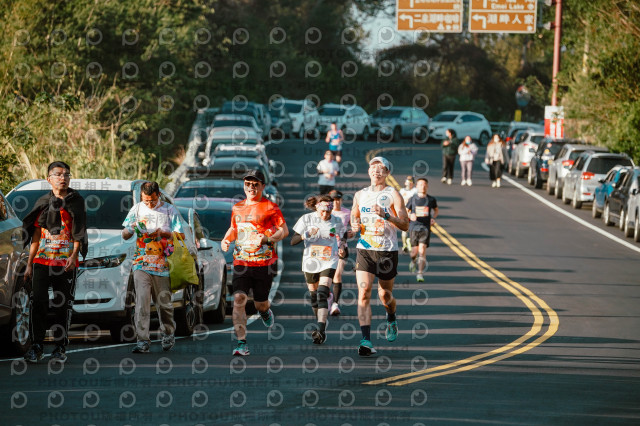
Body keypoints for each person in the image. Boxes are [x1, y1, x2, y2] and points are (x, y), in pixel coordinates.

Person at [22, 161, 87, 364]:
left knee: (62, 305)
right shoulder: (43, 202)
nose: (63, 178)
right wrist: (29, 264)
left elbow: (79, 232)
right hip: (42, 260)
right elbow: (36, 236)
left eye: (66, 174)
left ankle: (60, 346)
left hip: (66, 262)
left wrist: (74, 256)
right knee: (38, 303)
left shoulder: (76, 201)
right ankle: (37, 346)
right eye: (58, 174)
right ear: (49, 178)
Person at [221, 169, 288, 356]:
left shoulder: (270, 207)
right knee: (239, 299)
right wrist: (226, 240)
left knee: (260, 304)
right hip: (241, 261)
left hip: (264, 263)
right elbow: (233, 229)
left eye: (255, 184)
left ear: (262, 186)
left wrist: (267, 239)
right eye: (248, 184)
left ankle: (265, 312)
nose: (251, 187)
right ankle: (241, 343)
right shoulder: (237, 207)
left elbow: (284, 231)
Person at [351, 156, 409, 356]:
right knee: (364, 292)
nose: (376, 170)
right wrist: (354, 224)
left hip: (387, 251)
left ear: (387, 173)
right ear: (369, 171)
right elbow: (354, 216)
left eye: (381, 167)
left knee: (385, 295)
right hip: (365, 249)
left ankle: (391, 316)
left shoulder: (393, 194)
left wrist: (386, 216)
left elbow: (405, 224)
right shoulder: (360, 194)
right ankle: (366, 340)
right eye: (373, 167)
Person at [122, 181, 185, 353]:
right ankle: (142, 340)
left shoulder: (169, 210)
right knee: (141, 303)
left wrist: (163, 233)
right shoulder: (136, 209)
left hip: (163, 265)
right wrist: (132, 228)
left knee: (164, 305)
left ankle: (168, 333)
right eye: (146, 200)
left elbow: (181, 235)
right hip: (141, 264)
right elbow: (124, 235)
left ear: (159, 195)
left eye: (152, 200)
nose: (149, 204)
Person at [291, 195, 346, 343]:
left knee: (322, 293)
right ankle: (320, 321)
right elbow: (293, 241)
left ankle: (321, 330)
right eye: (323, 211)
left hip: (329, 261)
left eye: (329, 211)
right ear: (317, 207)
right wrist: (305, 235)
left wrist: (342, 247)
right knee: (314, 296)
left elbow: (343, 238)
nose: (325, 214)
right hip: (310, 262)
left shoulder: (337, 221)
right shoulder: (306, 219)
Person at [406, 178, 439, 282]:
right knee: (414, 253)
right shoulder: (413, 199)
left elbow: (436, 210)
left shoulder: (431, 199)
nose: (423, 186)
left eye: (424, 185)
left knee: (422, 250)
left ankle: (420, 273)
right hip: (414, 228)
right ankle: (413, 260)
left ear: (427, 186)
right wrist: (410, 216)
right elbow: (406, 211)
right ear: (417, 186)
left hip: (425, 228)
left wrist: (433, 218)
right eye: (420, 184)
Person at [328, 189, 353, 316]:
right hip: (326, 248)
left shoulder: (347, 212)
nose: (336, 202)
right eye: (333, 200)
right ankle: (329, 294)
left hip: (341, 247)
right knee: (326, 278)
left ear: (341, 200)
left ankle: (335, 304)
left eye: (338, 200)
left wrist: (352, 232)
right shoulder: (326, 212)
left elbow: (354, 226)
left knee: (337, 275)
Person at [399, 176, 416, 253]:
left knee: (412, 229)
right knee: (404, 229)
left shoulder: (415, 191)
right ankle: (404, 244)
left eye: (411, 182)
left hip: (412, 213)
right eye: (408, 181)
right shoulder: (402, 191)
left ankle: (409, 241)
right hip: (404, 213)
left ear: (413, 183)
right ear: (405, 182)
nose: (409, 183)